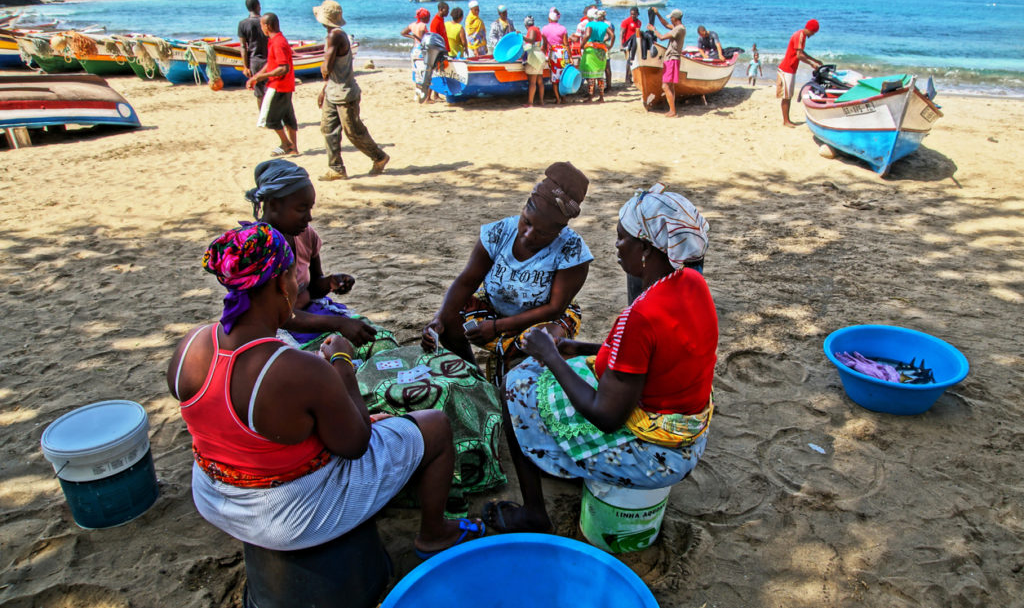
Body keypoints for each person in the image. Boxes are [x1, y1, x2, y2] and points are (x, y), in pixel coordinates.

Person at [167, 222, 484, 557]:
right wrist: (342, 361)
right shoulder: (298, 369)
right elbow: (356, 444)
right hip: (285, 517)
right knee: (435, 426)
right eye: (292, 277)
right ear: (280, 283)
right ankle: (434, 534)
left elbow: (234, 419)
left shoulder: (192, 346)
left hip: (213, 498)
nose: (295, 286)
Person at [485, 183, 717, 534]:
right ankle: (575, 465)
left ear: (645, 250)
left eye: (623, 238)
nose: (617, 244)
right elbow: (655, 355)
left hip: (656, 455)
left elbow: (606, 416)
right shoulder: (691, 282)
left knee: (516, 385)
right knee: (559, 370)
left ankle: (534, 512)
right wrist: (583, 349)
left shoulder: (641, 316)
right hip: (687, 432)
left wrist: (550, 355)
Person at [421, 162, 593, 379]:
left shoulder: (573, 252)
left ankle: (516, 381)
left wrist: (496, 327)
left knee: (542, 345)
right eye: (526, 222)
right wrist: (439, 318)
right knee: (448, 321)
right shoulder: (498, 232)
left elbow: (554, 308)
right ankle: (476, 379)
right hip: (495, 305)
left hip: (544, 316)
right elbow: (467, 281)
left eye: (541, 232)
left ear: (559, 231)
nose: (528, 235)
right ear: (523, 210)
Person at [245, 159, 395, 359]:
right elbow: (275, 315)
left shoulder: (305, 235)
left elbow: (312, 286)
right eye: (301, 209)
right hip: (278, 328)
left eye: (310, 208)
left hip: (313, 314)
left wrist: (331, 282)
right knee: (323, 365)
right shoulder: (257, 248)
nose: (309, 217)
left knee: (382, 343)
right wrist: (339, 324)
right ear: (273, 205)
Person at [314, 0, 389, 181]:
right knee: (328, 129)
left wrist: (325, 76)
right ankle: (336, 168)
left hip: (344, 93)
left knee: (353, 131)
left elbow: (326, 68)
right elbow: (331, 71)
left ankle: (379, 156)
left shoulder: (335, 36)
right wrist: (324, 89)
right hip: (334, 91)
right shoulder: (334, 35)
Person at [246, 12, 298, 156]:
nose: (261, 28)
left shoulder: (278, 42)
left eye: (262, 25)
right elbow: (271, 62)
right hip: (286, 84)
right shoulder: (275, 40)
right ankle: (293, 148)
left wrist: (263, 75)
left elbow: (283, 68)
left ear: (267, 26)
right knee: (288, 117)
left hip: (279, 86)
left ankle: (286, 144)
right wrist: (257, 76)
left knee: (271, 118)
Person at [778, 19, 822, 127]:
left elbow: (802, 53)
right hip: (787, 68)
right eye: (813, 32)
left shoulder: (801, 36)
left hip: (791, 69)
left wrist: (815, 60)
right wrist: (812, 64)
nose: (813, 35)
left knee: (788, 96)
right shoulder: (800, 36)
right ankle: (786, 121)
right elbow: (799, 55)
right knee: (786, 96)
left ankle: (787, 120)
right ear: (811, 29)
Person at [647, 8, 686, 117]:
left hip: (672, 59)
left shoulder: (679, 29)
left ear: (675, 18)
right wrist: (657, 13)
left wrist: (653, 29)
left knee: (665, 86)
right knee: (670, 86)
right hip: (673, 59)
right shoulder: (678, 28)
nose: (671, 20)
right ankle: (672, 109)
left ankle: (673, 111)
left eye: (672, 18)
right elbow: (665, 24)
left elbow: (662, 37)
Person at [237, 0, 268, 111]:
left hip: (254, 60)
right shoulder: (266, 22)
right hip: (269, 59)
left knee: (259, 92)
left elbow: (243, 47)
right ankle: (273, 117)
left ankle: (263, 117)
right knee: (272, 89)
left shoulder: (243, 24)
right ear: (258, 6)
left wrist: (245, 66)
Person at [580, 8, 613, 102]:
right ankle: (601, 97)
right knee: (600, 75)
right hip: (601, 50)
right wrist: (610, 46)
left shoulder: (589, 24)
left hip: (591, 50)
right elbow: (612, 35)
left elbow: (587, 35)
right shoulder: (604, 25)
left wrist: (582, 45)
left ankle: (591, 96)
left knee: (591, 75)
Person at [540, 8, 569, 105]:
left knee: (554, 78)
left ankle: (558, 99)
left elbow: (544, 45)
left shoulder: (544, 29)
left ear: (549, 19)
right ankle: (564, 98)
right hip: (562, 53)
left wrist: (541, 55)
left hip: (553, 54)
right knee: (563, 76)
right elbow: (566, 44)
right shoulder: (563, 28)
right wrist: (570, 57)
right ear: (557, 19)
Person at [522, 16, 547, 107]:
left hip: (535, 57)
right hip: (540, 55)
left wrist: (522, 37)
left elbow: (531, 40)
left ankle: (530, 102)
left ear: (526, 24)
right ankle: (541, 101)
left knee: (532, 82)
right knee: (539, 81)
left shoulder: (532, 29)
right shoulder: (537, 29)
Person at [620, 6, 642, 86]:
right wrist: (621, 45)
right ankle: (627, 78)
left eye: (634, 14)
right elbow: (622, 33)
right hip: (627, 43)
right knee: (629, 60)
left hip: (635, 43)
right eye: (631, 14)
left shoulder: (639, 22)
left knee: (634, 60)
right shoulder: (626, 21)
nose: (633, 16)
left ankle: (631, 77)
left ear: (637, 14)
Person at [597, 9, 616, 90]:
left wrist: (604, 40)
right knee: (607, 66)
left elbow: (610, 35)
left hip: (602, 44)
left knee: (603, 66)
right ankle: (609, 85)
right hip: (606, 44)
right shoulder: (609, 23)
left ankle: (606, 86)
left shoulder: (605, 24)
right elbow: (613, 32)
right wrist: (610, 44)